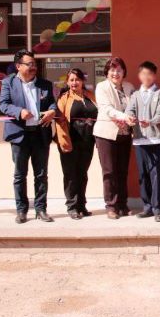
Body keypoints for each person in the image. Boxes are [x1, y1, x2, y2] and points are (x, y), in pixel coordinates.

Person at [0, 49, 57, 224]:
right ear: (18, 66)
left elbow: (53, 103)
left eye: (34, 64)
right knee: (20, 175)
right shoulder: (8, 82)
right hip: (19, 135)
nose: (33, 67)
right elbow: (3, 104)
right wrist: (19, 111)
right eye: (29, 64)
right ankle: (22, 210)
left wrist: (52, 111)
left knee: (41, 175)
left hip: (40, 134)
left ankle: (41, 209)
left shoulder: (45, 84)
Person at [125, 61, 160, 222]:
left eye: (150, 74)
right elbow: (130, 110)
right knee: (143, 174)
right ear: (139, 75)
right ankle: (147, 207)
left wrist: (150, 121)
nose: (146, 77)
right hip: (139, 139)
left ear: (154, 76)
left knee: (156, 174)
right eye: (143, 74)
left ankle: (158, 208)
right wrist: (130, 118)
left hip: (155, 139)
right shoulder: (135, 95)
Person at [94, 57, 135, 220]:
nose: (115, 73)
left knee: (122, 171)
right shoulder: (101, 87)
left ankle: (123, 205)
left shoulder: (129, 86)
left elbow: (134, 106)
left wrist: (134, 117)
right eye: (112, 70)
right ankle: (111, 206)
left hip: (125, 134)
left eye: (119, 70)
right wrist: (125, 117)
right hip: (106, 134)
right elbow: (106, 109)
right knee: (109, 171)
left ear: (124, 72)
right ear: (107, 72)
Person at [54, 68, 98, 220]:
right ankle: (72, 206)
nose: (74, 82)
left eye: (77, 79)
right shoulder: (64, 98)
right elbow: (59, 122)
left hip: (87, 141)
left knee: (82, 174)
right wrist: (63, 142)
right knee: (70, 175)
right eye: (71, 80)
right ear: (67, 82)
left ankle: (81, 205)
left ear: (83, 81)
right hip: (70, 141)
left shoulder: (90, 96)